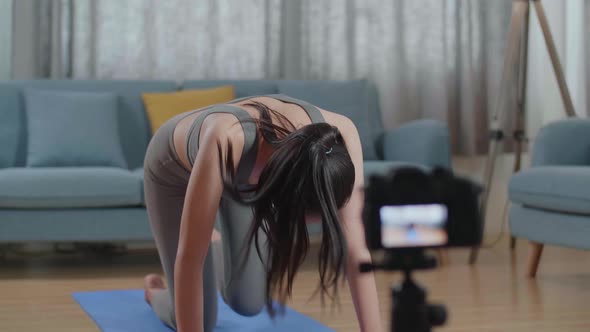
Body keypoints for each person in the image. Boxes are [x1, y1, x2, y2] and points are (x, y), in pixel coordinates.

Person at [142, 94, 383, 332]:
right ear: (283, 195)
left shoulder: (342, 137)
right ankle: (155, 292)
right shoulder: (226, 138)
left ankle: (213, 242)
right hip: (172, 171)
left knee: (248, 302)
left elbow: (356, 251)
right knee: (202, 322)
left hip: (246, 176)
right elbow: (190, 259)